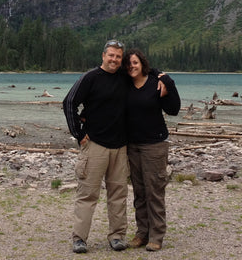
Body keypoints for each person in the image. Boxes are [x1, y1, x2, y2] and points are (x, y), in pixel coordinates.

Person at [62, 39, 130, 254]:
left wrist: (163, 78)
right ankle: (79, 238)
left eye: (118, 56)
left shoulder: (124, 77)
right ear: (103, 56)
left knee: (118, 194)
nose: (114, 59)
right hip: (95, 145)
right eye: (111, 55)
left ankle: (117, 236)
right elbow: (69, 102)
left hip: (120, 146)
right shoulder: (90, 77)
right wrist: (78, 133)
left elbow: (143, 71)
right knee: (88, 194)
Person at [123, 48, 181, 252]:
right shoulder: (125, 84)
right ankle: (142, 233)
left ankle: (157, 235)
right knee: (139, 191)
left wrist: (168, 82)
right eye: (129, 64)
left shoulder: (156, 82)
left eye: (135, 63)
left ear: (142, 64)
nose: (132, 66)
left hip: (155, 145)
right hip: (132, 145)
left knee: (154, 190)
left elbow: (173, 109)